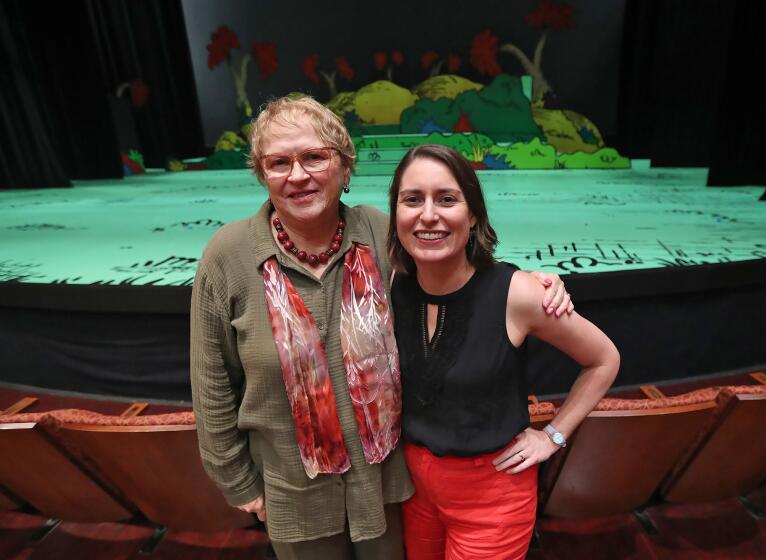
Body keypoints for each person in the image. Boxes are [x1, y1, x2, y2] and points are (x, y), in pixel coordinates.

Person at [190, 96, 572, 559]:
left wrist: (536, 282)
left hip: (387, 492)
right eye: (278, 163)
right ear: (261, 174)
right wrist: (238, 483)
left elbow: (456, 265)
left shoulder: (380, 234)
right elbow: (212, 386)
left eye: (314, 157)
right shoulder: (227, 256)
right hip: (293, 495)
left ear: (344, 168)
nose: (297, 175)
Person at [387, 144, 620, 560]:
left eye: (446, 199)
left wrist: (554, 435)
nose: (427, 214)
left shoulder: (517, 293)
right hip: (415, 488)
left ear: (472, 214)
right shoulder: (394, 284)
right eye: (412, 199)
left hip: (492, 495)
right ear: (396, 214)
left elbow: (604, 359)